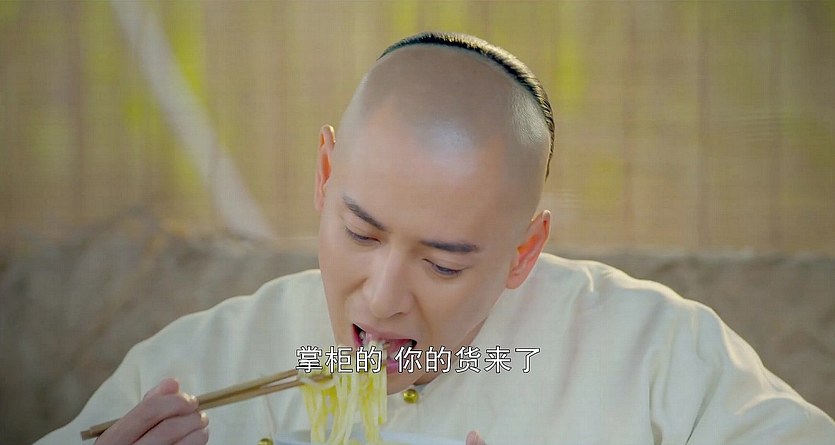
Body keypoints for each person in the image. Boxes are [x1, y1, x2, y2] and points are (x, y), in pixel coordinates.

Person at [35, 32, 834, 445]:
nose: (383, 296)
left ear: (523, 252)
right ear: (324, 175)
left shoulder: (657, 356)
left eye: (444, 262)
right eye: (359, 231)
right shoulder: (195, 367)